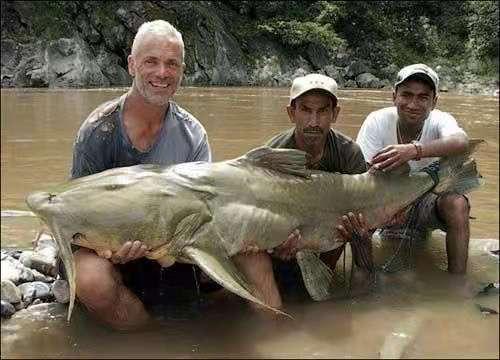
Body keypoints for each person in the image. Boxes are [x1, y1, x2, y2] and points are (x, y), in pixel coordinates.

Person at [70, 20, 215, 330]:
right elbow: (76, 218)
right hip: (105, 247)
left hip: (170, 248)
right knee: (91, 280)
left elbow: (202, 212)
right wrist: (107, 248)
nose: (162, 73)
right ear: (132, 65)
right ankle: (145, 337)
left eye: (171, 64)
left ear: (181, 71)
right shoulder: (98, 130)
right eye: (151, 61)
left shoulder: (194, 135)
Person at [234, 74, 376, 308]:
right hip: (287, 232)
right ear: (291, 113)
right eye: (305, 110)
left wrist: (363, 234)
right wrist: (274, 244)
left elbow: (367, 203)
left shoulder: (349, 153)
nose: (313, 121)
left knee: (356, 233)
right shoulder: (272, 153)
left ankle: (350, 301)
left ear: (335, 114)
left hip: (331, 228)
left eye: (322, 111)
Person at [356, 63, 470, 274]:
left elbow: (461, 142)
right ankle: (364, 279)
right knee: (357, 215)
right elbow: (363, 176)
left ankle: (458, 282)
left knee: (457, 204)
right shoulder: (376, 121)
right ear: (394, 97)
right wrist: (392, 205)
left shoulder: (440, 120)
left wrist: (414, 150)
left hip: (428, 199)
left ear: (434, 102)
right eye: (406, 95)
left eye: (422, 97)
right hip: (385, 198)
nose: (413, 104)